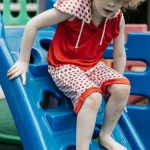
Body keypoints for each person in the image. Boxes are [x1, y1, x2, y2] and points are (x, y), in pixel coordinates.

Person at [7, 0, 143, 149]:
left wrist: (114, 89)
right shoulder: (73, 8)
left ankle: (105, 136)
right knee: (93, 97)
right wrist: (23, 61)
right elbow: (33, 24)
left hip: (92, 65)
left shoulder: (117, 18)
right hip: (64, 65)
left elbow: (119, 54)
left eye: (117, 0)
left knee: (123, 88)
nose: (111, 4)